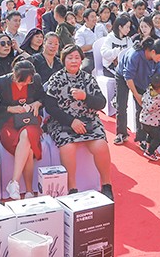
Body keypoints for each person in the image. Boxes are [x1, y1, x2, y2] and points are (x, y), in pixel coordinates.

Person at [42, 45, 113, 199]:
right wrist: (71, 121)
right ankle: (72, 187)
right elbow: (50, 107)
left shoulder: (88, 78)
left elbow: (101, 103)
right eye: (70, 58)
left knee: (101, 146)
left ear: (81, 60)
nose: (74, 61)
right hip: (63, 122)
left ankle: (106, 185)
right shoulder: (56, 79)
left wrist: (85, 97)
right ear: (63, 60)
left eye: (77, 58)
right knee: (68, 147)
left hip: (88, 120)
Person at [0, 61, 44, 200]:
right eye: (22, 81)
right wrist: (9, 108)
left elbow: (44, 97)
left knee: (27, 134)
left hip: (30, 121)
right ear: (14, 75)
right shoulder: (1, 82)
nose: (25, 84)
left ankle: (14, 182)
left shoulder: (36, 80)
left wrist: (37, 103)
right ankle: (28, 190)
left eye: (28, 81)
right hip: (8, 123)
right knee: (28, 150)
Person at [115, 37, 160, 146]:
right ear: (153, 52)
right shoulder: (135, 55)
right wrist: (137, 95)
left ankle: (141, 138)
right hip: (124, 77)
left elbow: (157, 79)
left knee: (142, 107)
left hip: (142, 79)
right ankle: (121, 133)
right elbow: (128, 77)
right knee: (121, 105)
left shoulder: (158, 62)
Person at [139, 73, 160, 161]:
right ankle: (150, 152)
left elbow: (143, 99)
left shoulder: (149, 90)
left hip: (143, 120)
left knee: (151, 135)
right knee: (158, 139)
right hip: (153, 123)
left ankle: (148, 147)